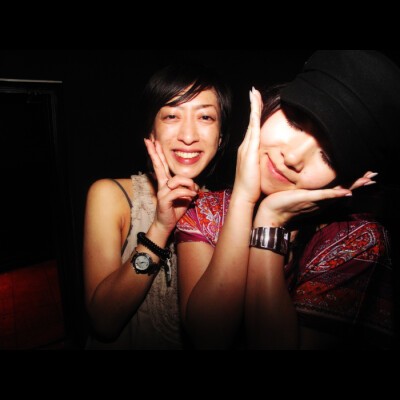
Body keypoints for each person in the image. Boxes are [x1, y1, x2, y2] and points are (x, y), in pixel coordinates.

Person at [174, 50, 399, 349]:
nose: (293, 157)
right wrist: (243, 200)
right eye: (296, 121)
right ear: (272, 104)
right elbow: (208, 336)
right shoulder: (206, 208)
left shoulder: (358, 240)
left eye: (328, 156)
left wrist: (270, 221)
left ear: (348, 175)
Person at [83, 62, 232, 349]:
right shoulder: (111, 196)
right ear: (151, 131)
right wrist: (160, 229)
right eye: (172, 115)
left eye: (205, 117)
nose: (188, 136)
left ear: (221, 137)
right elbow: (103, 321)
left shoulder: (228, 212)